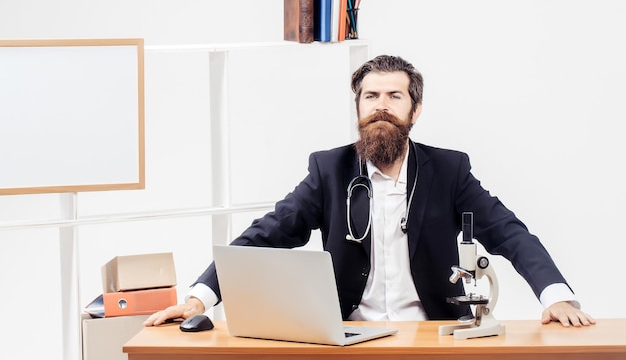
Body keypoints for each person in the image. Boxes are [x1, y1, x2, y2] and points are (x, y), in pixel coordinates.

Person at [145, 55, 595, 328]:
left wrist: (556, 296)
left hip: (432, 334)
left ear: (414, 109)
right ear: (358, 107)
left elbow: (509, 232)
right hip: (348, 334)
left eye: (394, 96)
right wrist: (198, 297)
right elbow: (266, 233)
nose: (381, 105)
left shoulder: (448, 170)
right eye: (370, 96)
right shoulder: (330, 170)